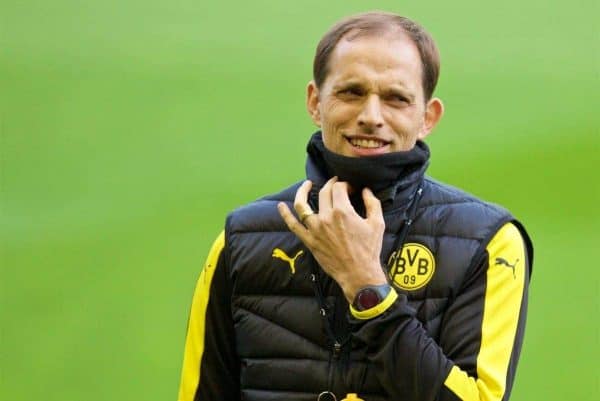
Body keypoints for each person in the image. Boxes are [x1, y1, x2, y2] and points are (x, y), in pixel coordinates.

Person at [177, 11, 533, 401]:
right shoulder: (242, 240)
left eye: (396, 98)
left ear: (427, 117)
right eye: (351, 92)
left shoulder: (490, 243)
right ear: (315, 102)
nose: (370, 117)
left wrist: (369, 289)